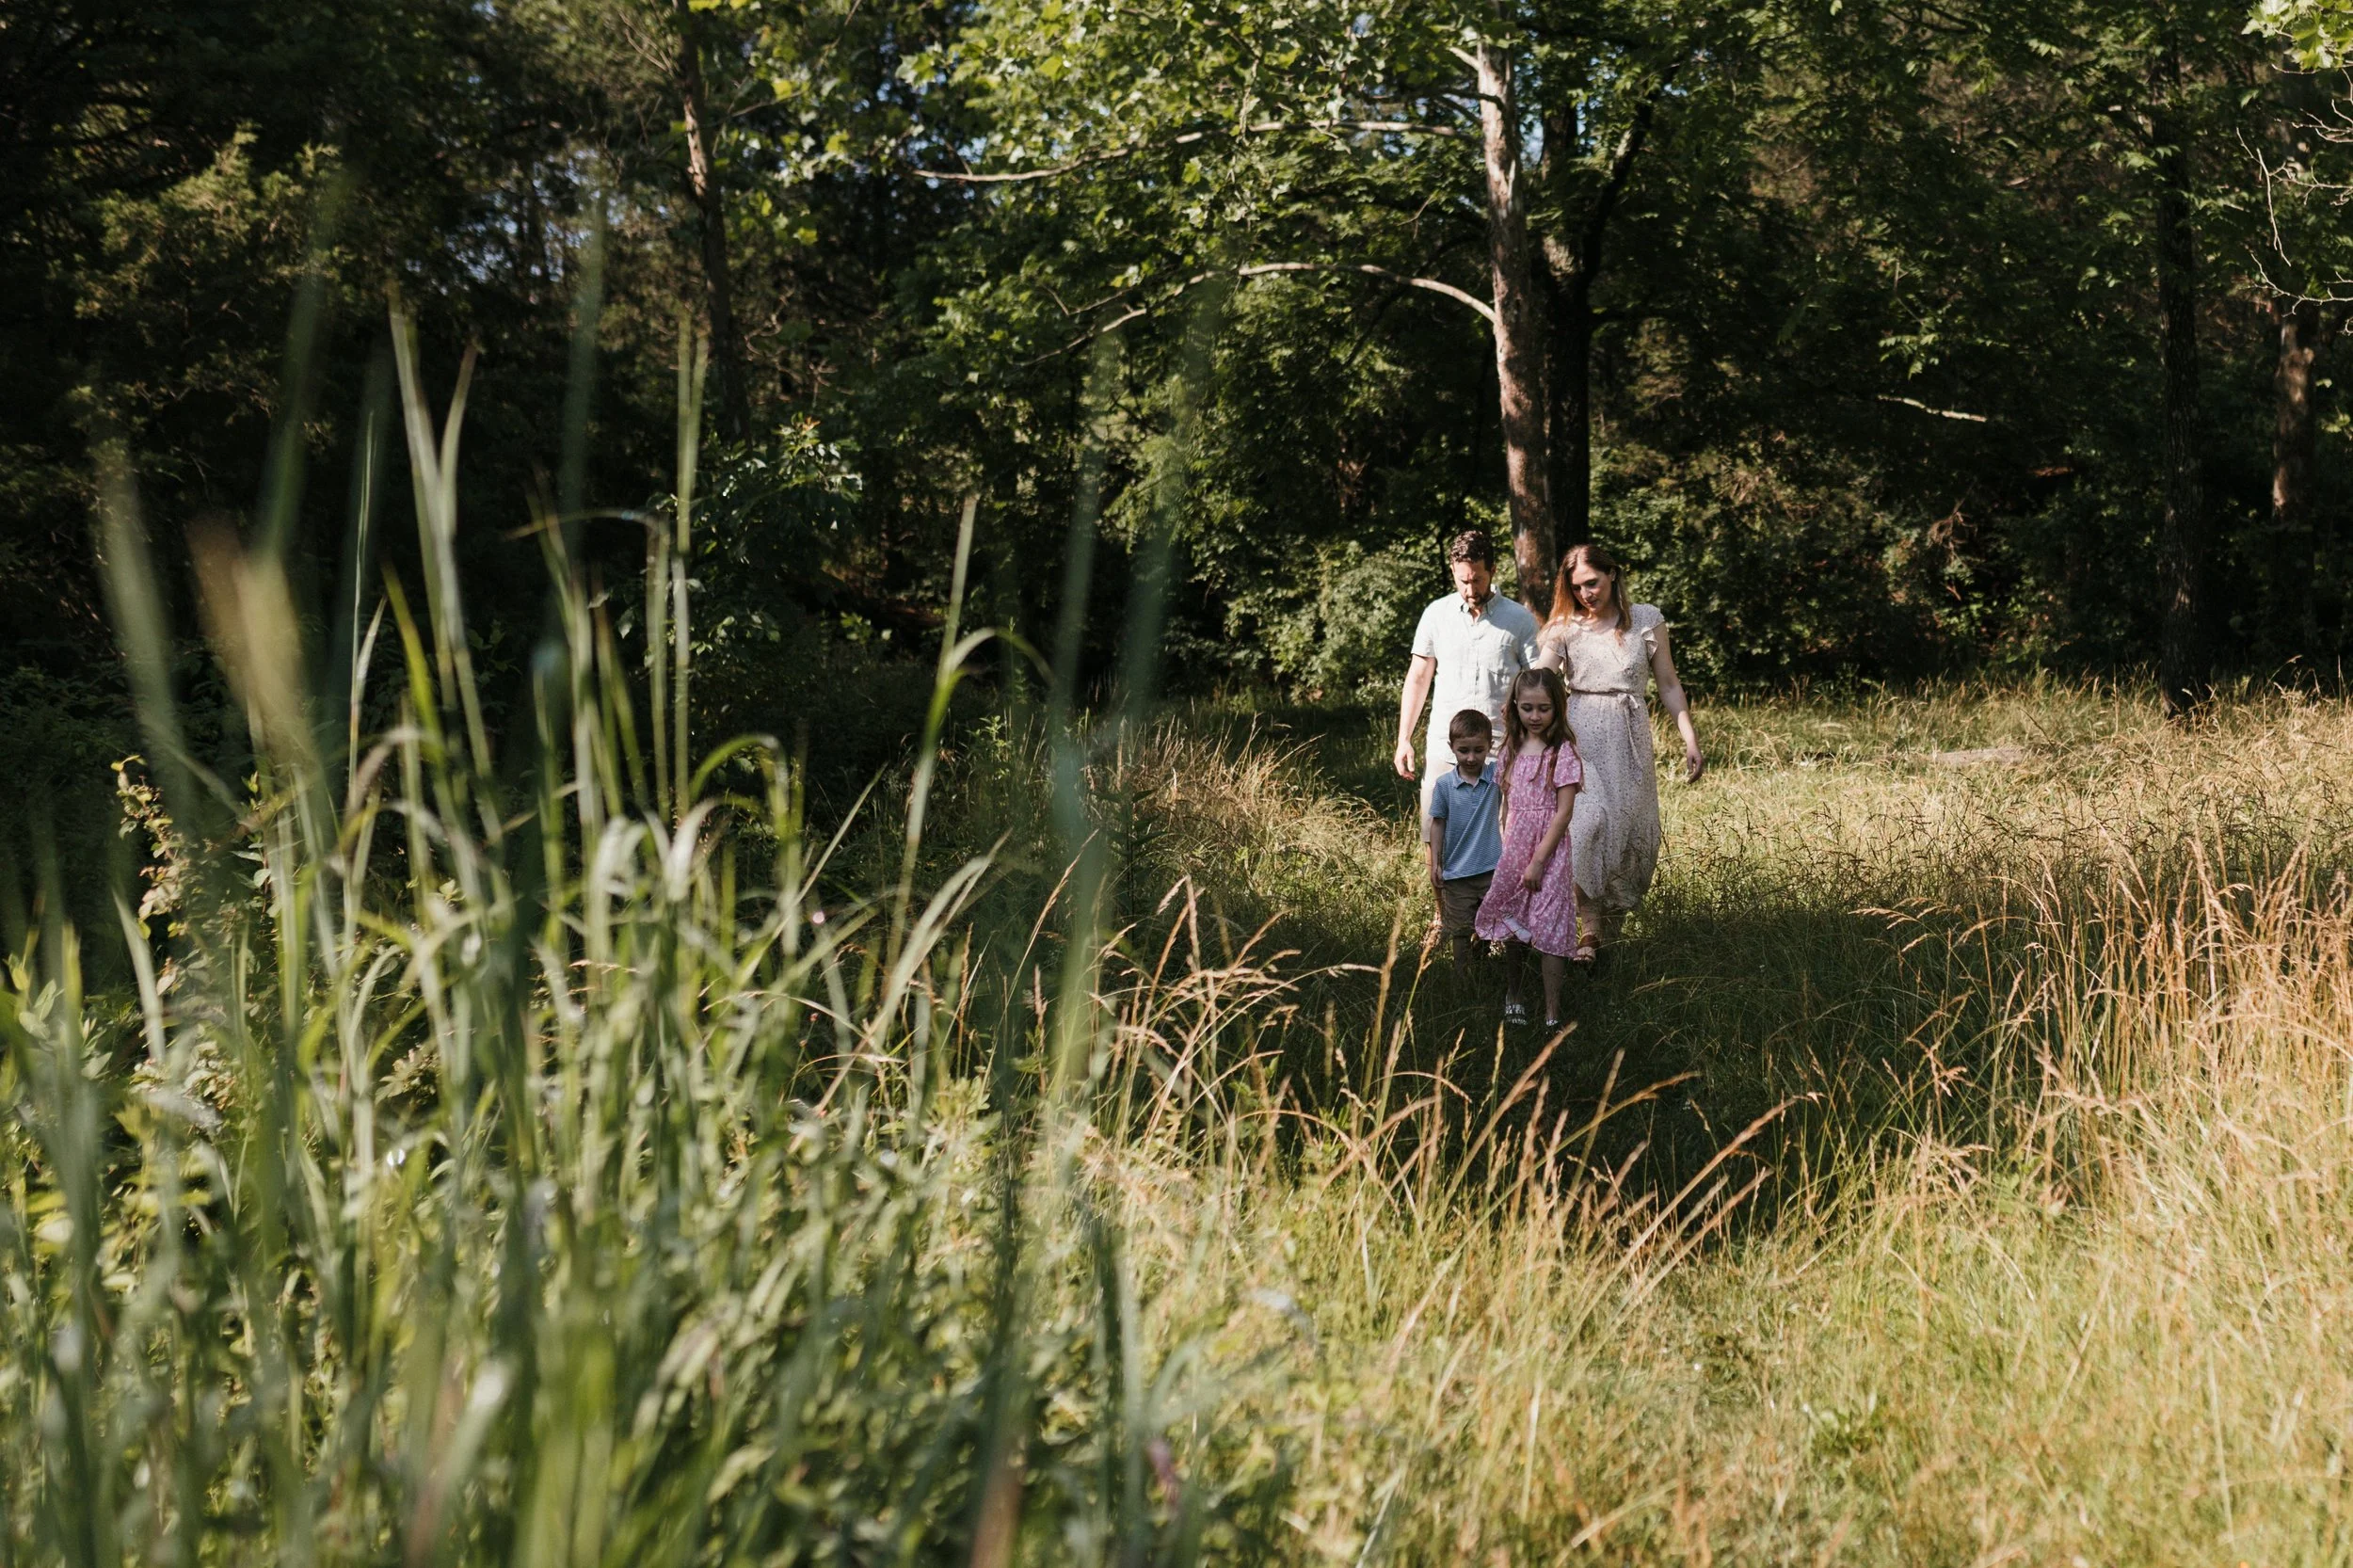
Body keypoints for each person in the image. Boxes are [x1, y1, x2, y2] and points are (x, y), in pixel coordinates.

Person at [1530, 542, 1704, 954]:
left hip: (1629, 740)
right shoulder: (1565, 628)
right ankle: (1588, 928)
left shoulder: (1646, 620)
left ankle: (1605, 942)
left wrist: (1690, 738)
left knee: (1627, 832)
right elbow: (1537, 681)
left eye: (1592, 582)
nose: (1586, 593)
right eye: (1577, 588)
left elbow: (1668, 685)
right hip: (1580, 738)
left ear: (1612, 574)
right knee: (1586, 825)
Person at [1394, 531, 1540, 837]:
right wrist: (1404, 738)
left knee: (1501, 843)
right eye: (1462, 581)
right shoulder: (1436, 614)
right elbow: (1419, 677)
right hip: (1445, 748)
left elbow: (1538, 682)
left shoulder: (1519, 619)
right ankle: (1440, 888)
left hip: (1500, 750)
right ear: (1453, 572)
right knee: (1437, 837)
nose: (1470, 588)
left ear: (1493, 570)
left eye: (1477, 579)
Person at [1474, 668, 1583, 1030]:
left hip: (1549, 853)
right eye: (1527, 708)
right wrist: (1505, 849)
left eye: (1544, 709)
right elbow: (1506, 805)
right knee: (1513, 923)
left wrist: (1538, 861)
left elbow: (1564, 813)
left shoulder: (1562, 752)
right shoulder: (1510, 750)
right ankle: (1514, 994)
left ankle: (1553, 1013)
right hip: (1515, 847)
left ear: (1557, 709)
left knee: (1550, 927)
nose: (1535, 717)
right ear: (1515, 708)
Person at [1426, 708, 1503, 975]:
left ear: (1490, 747)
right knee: (1459, 929)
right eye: (1463, 750)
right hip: (1457, 873)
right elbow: (1437, 823)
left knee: (1487, 922)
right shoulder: (1445, 785)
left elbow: (1516, 749)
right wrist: (1436, 862)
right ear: (1452, 748)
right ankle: (1461, 976)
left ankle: (1482, 964)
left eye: (1479, 750)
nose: (1471, 758)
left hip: (1490, 869)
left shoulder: (1495, 777)